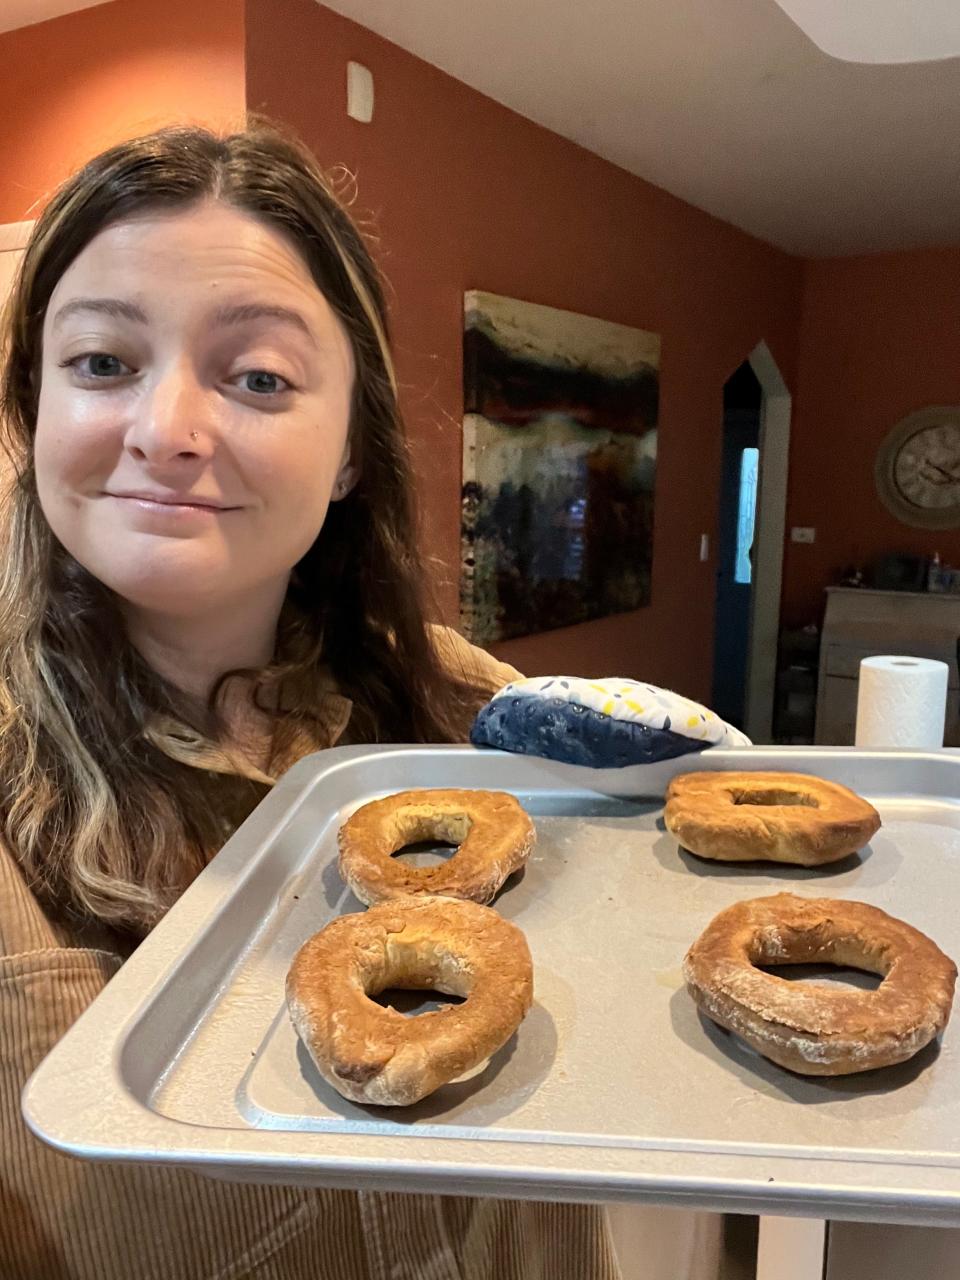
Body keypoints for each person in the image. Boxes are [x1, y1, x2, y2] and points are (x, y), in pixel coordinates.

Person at [0, 121, 624, 1279]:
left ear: (348, 449)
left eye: (258, 377)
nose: (167, 430)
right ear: (35, 412)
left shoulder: (480, 712)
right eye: (101, 362)